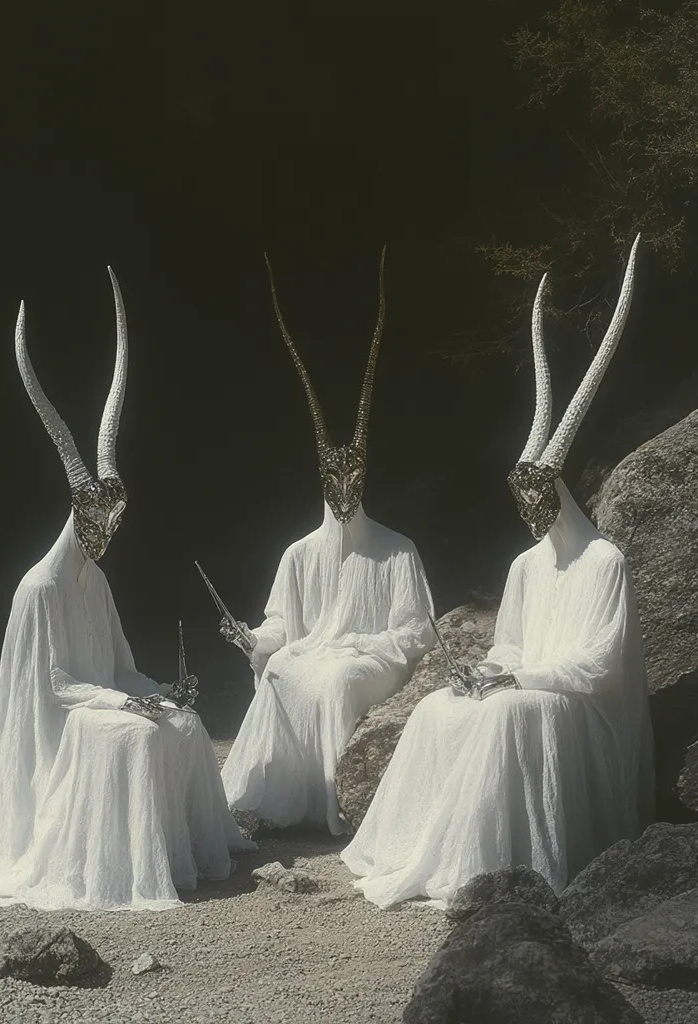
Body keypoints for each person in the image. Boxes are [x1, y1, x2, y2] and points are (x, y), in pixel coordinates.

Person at [341, 235, 654, 908]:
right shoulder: (523, 565)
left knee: (506, 716)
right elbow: (509, 642)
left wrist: (519, 677)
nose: (532, 515)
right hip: (523, 685)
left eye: (541, 500)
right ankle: (417, 850)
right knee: (434, 710)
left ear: (560, 495)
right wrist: (489, 669)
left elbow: (601, 667)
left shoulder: (606, 562)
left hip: (577, 711)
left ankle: (499, 869)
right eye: (523, 503)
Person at [0, 268, 254, 912]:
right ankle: (117, 868)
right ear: (79, 517)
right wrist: (123, 704)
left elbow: (119, 667)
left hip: (99, 701)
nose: (105, 536)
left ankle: (176, 851)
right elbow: (54, 687)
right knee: (138, 735)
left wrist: (158, 691)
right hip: (60, 728)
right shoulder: (41, 587)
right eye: (97, 524)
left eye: (113, 524)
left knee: (185, 723)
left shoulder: (96, 581)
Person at [220, 249, 436, 834]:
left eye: (353, 479)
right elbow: (282, 627)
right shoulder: (299, 554)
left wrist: (359, 644)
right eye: (333, 481)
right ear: (321, 482)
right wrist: (252, 637)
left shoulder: (397, 550)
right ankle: (278, 802)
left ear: (364, 479)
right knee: (283, 667)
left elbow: (416, 629)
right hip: (314, 652)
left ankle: (336, 807)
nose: (343, 491)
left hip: (369, 662)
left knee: (336, 680)